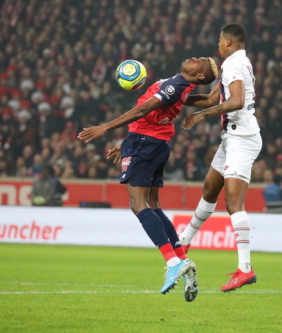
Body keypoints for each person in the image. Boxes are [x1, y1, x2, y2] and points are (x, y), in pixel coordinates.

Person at [77, 57, 218, 301]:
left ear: (199, 77)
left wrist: (105, 128)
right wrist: (128, 141)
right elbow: (209, 99)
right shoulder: (182, 87)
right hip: (153, 142)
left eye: (201, 63)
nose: (195, 58)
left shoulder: (175, 87)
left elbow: (143, 109)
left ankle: (172, 262)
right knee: (153, 205)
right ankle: (183, 260)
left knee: (137, 204)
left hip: (144, 143)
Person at [178, 23, 262, 292]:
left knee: (233, 202)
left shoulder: (235, 65)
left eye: (219, 39)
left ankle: (245, 269)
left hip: (243, 139)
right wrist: (177, 98)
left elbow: (235, 101)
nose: (217, 42)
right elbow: (212, 98)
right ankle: (184, 240)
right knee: (210, 189)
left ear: (227, 41)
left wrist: (203, 115)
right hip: (231, 137)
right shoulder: (234, 63)